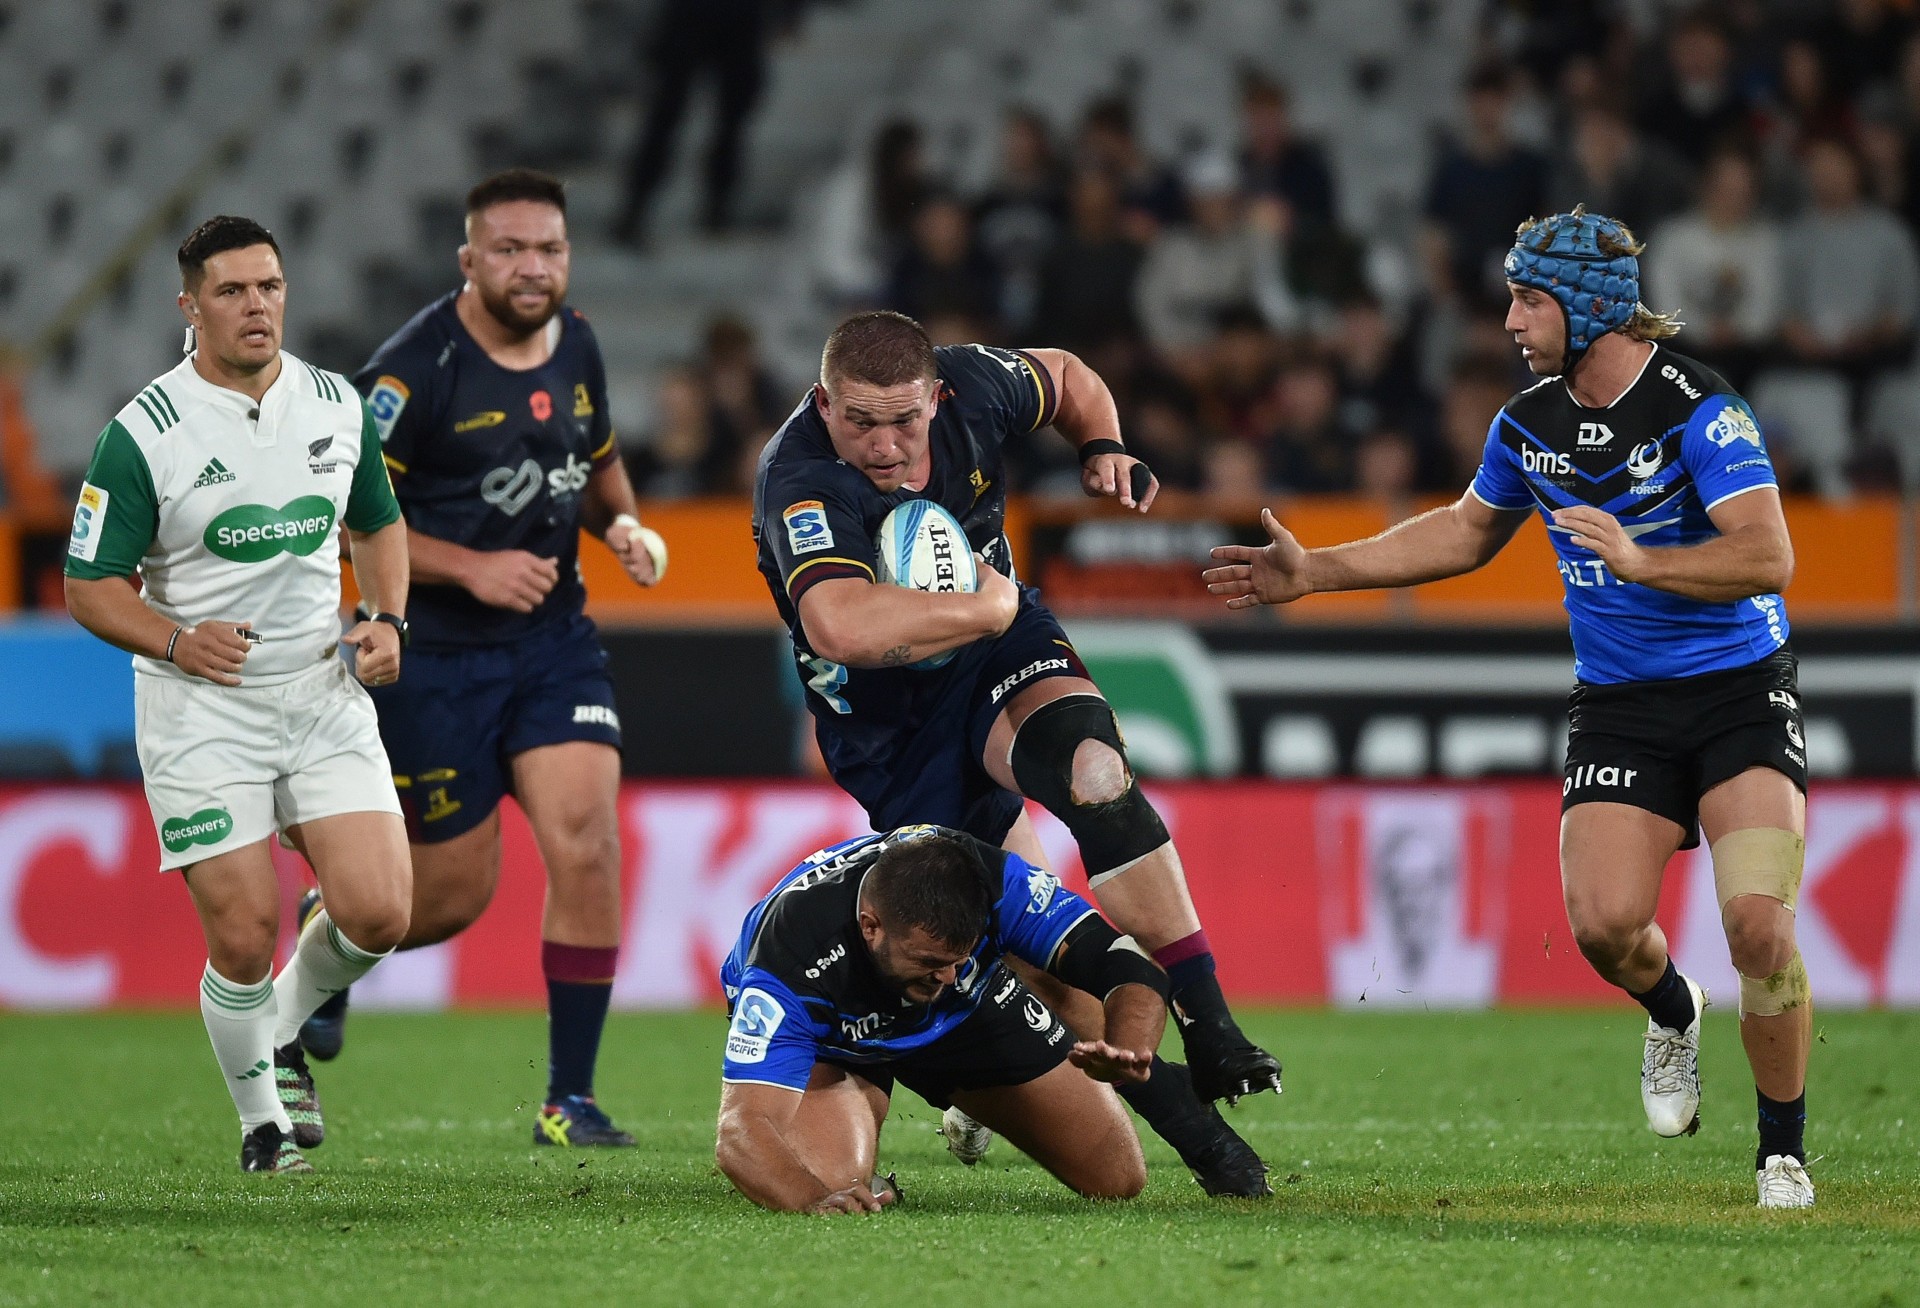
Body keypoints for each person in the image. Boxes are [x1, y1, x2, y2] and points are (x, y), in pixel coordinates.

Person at [1205, 207, 1817, 1210]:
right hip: (1622, 705)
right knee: (1604, 929)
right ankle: (1674, 1010)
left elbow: (1769, 555)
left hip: (1740, 692)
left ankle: (1780, 1152)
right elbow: (1462, 531)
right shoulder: (1527, 423)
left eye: (1530, 299)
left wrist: (1639, 560)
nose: (1509, 320)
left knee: (1758, 925)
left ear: (1587, 306)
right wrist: (1315, 570)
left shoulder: (1701, 410)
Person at [751, 310, 1279, 1198]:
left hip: (997, 656)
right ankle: (1157, 1118)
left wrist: (1102, 443)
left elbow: (1070, 372)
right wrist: (983, 611)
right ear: (822, 402)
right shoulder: (798, 478)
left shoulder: (979, 385)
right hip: (896, 732)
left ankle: (1212, 1025)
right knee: (1047, 972)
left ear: (938, 398)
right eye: (859, 421)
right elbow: (838, 624)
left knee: (1096, 772)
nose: (884, 447)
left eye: (905, 421)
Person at [304, 170, 667, 1148]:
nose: (531, 268)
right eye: (508, 250)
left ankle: (570, 1101)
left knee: (588, 841)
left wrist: (622, 524)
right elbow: (350, 520)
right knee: (449, 897)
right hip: (436, 658)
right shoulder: (411, 374)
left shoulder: (579, 339)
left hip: (553, 645)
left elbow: (595, 458)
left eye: (547, 249)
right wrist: (471, 567)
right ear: (468, 261)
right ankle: (327, 938)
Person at [63, 216, 412, 1173]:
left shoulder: (337, 405)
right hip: (200, 705)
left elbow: (378, 523)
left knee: (382, 912)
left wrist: (386, 619)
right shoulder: (144, 435)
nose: (255, 306)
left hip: (318, 689)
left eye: (269, 287)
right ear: (191, 306)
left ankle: (282, 1031)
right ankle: (265, 1125)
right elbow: (88, 585)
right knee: (247, 933)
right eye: (231, 291)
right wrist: (178, 638)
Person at [716, 826, 1165, 1213]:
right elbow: (743, 1131)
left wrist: (1127, 1046)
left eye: (959, 958)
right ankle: (865, 1102)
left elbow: (1124, 962)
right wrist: (810, 1201)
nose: (947, 975)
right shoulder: (787, 963)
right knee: (829, 1183)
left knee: (1118, 1180)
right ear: (871, 927)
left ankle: (973, 1100)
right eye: (930, 959)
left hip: (963, 1013)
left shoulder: (985, 878)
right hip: (838, 1045)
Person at [609, 0, 770, 244]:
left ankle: (712, 205)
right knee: (671, 117)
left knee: (716, 122)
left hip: (720, 17)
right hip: (707, 16)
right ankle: (639, 207)